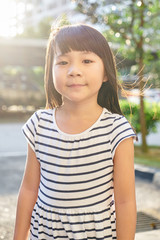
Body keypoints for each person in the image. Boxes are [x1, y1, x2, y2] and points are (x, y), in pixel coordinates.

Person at [13, 23, 137, 240]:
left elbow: (125, 202)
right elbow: (29, 190)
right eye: (62, 62)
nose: (74, 70)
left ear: (106, 72)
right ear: (50, 70)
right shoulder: (39, 125)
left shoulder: (116, 131)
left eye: (87, 61)